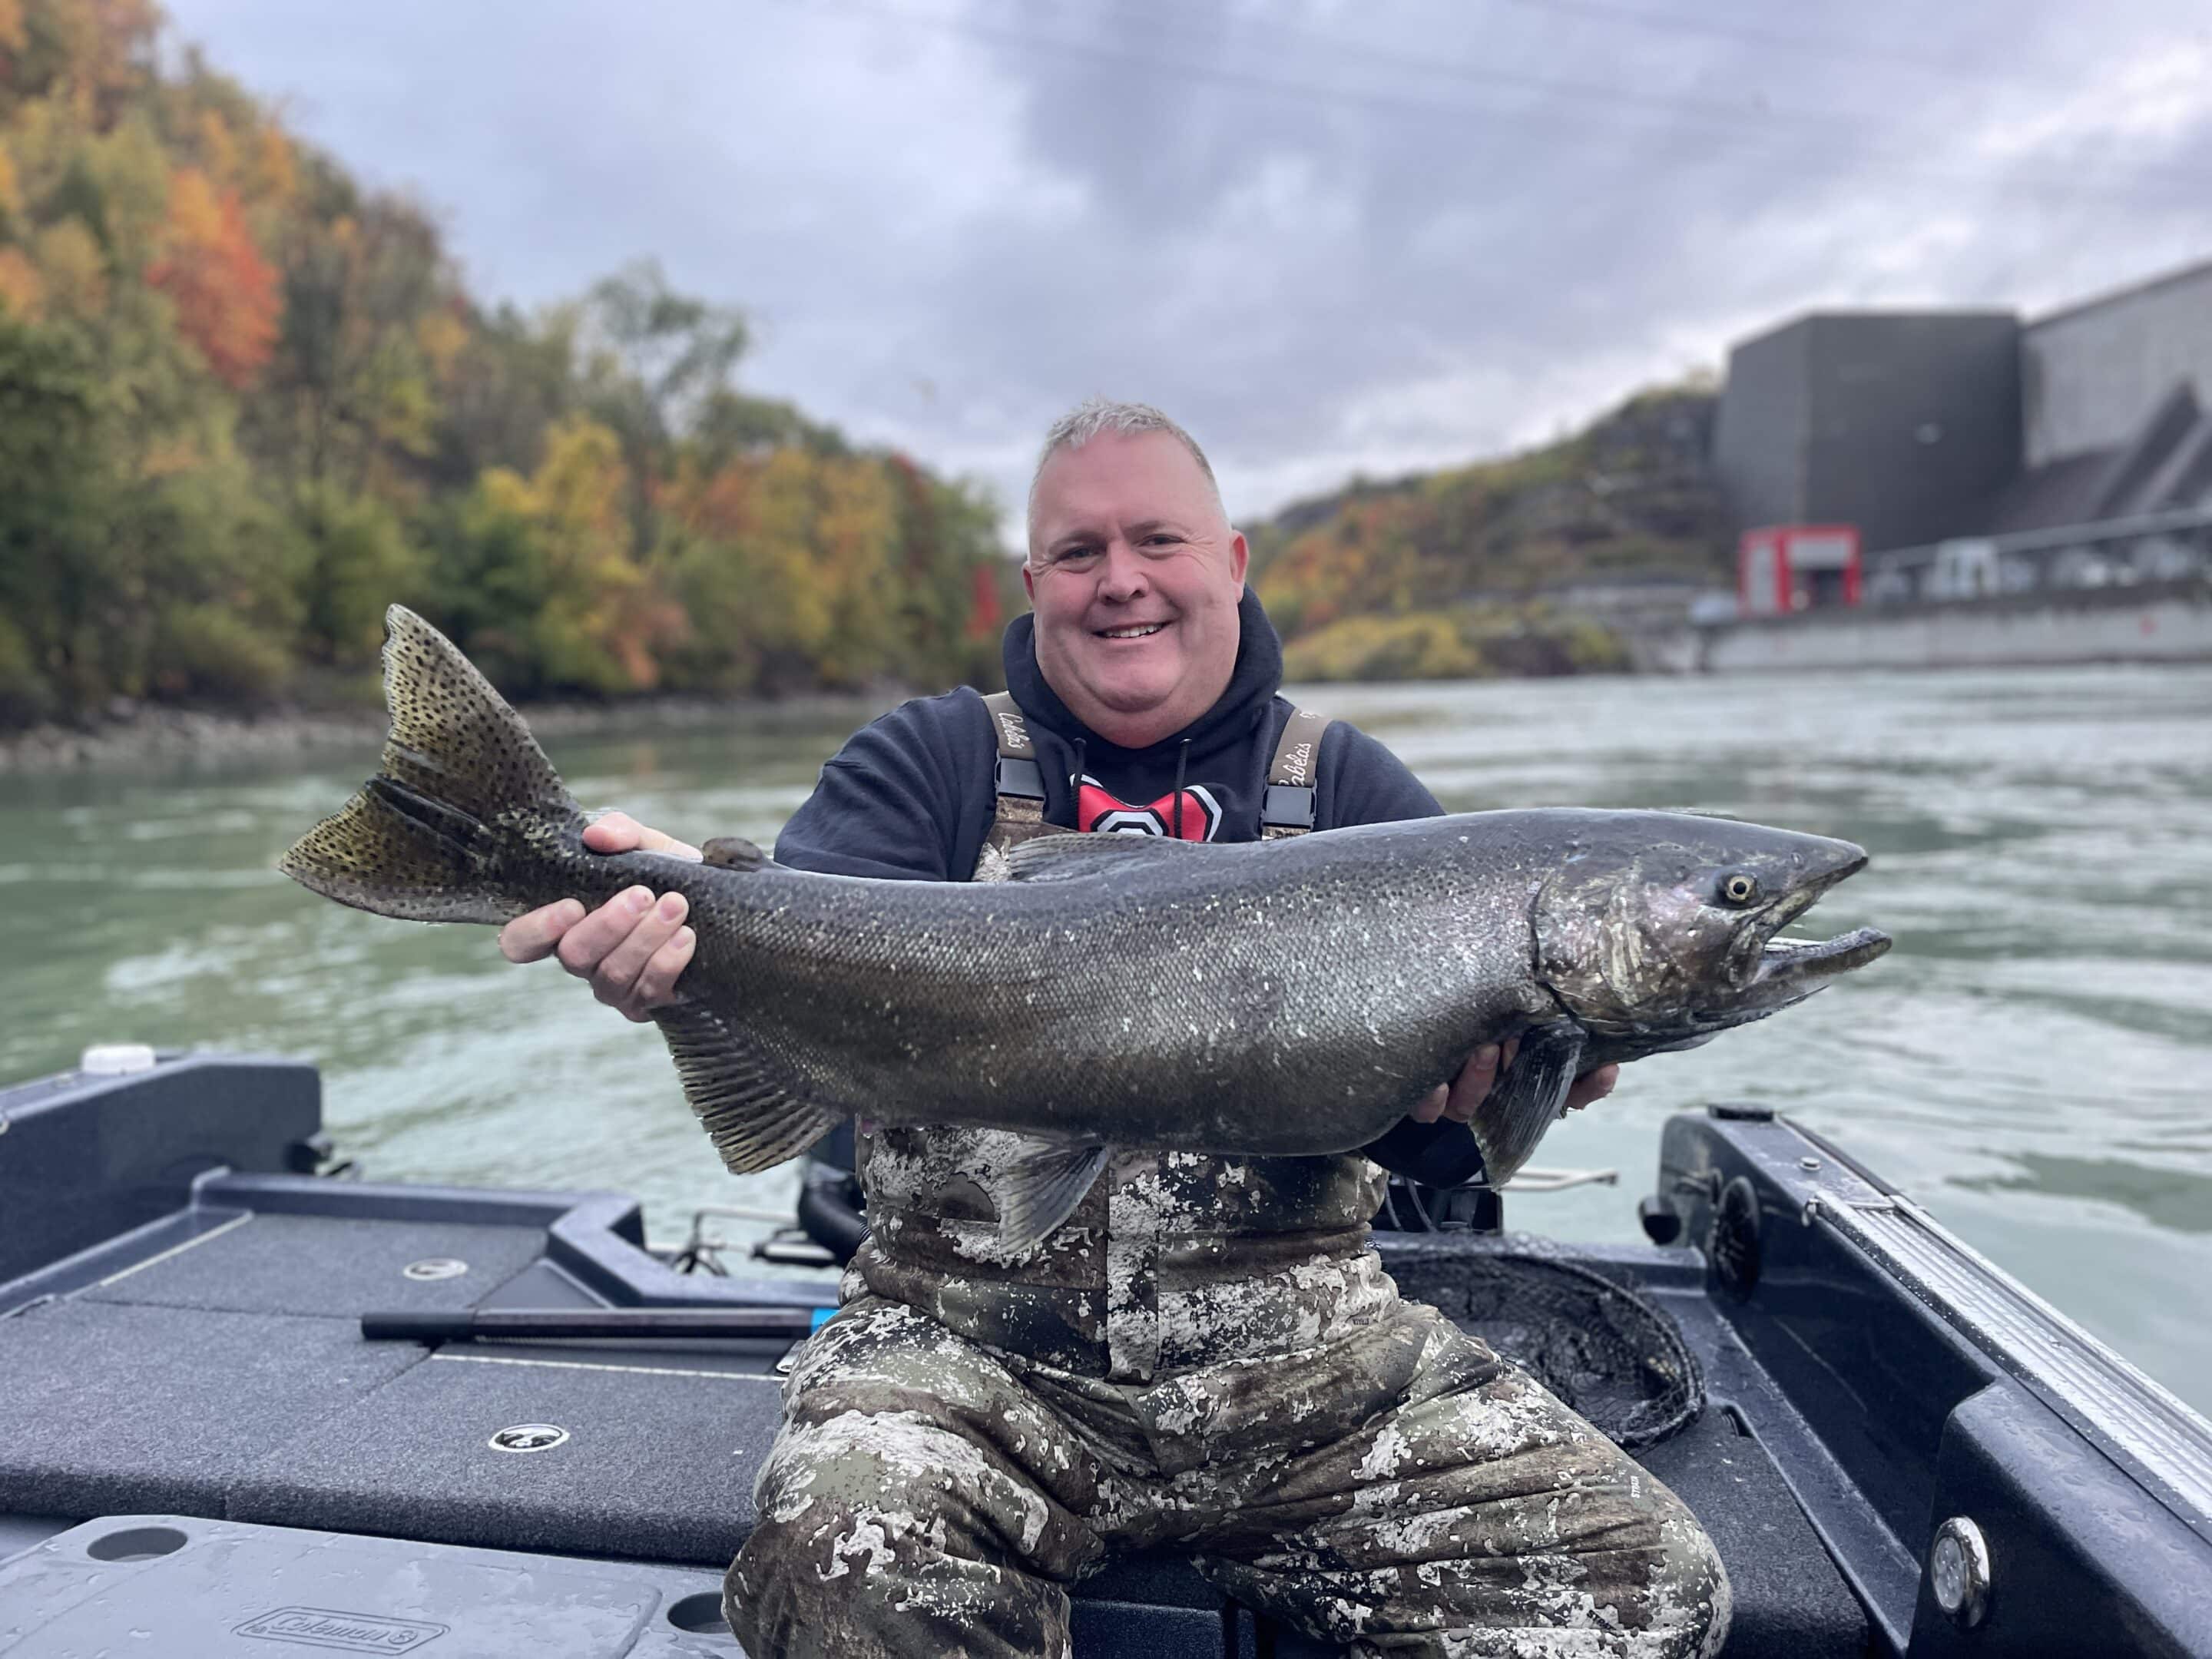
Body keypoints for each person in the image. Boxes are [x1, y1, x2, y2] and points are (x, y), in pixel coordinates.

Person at [498, 400, 1731, 1658]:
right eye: (1079, 553)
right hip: (964, 1358)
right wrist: (683, 925)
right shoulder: (928, 761)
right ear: (1034, 584)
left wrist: (1489, 1099)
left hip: (1306, 1381)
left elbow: (1428, 1163)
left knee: (1645, 1591)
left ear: (1233, 563)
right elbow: (809, 942)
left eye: (1159, 540)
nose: (1121, 581)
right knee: (838, 1559)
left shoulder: (1354, 793)